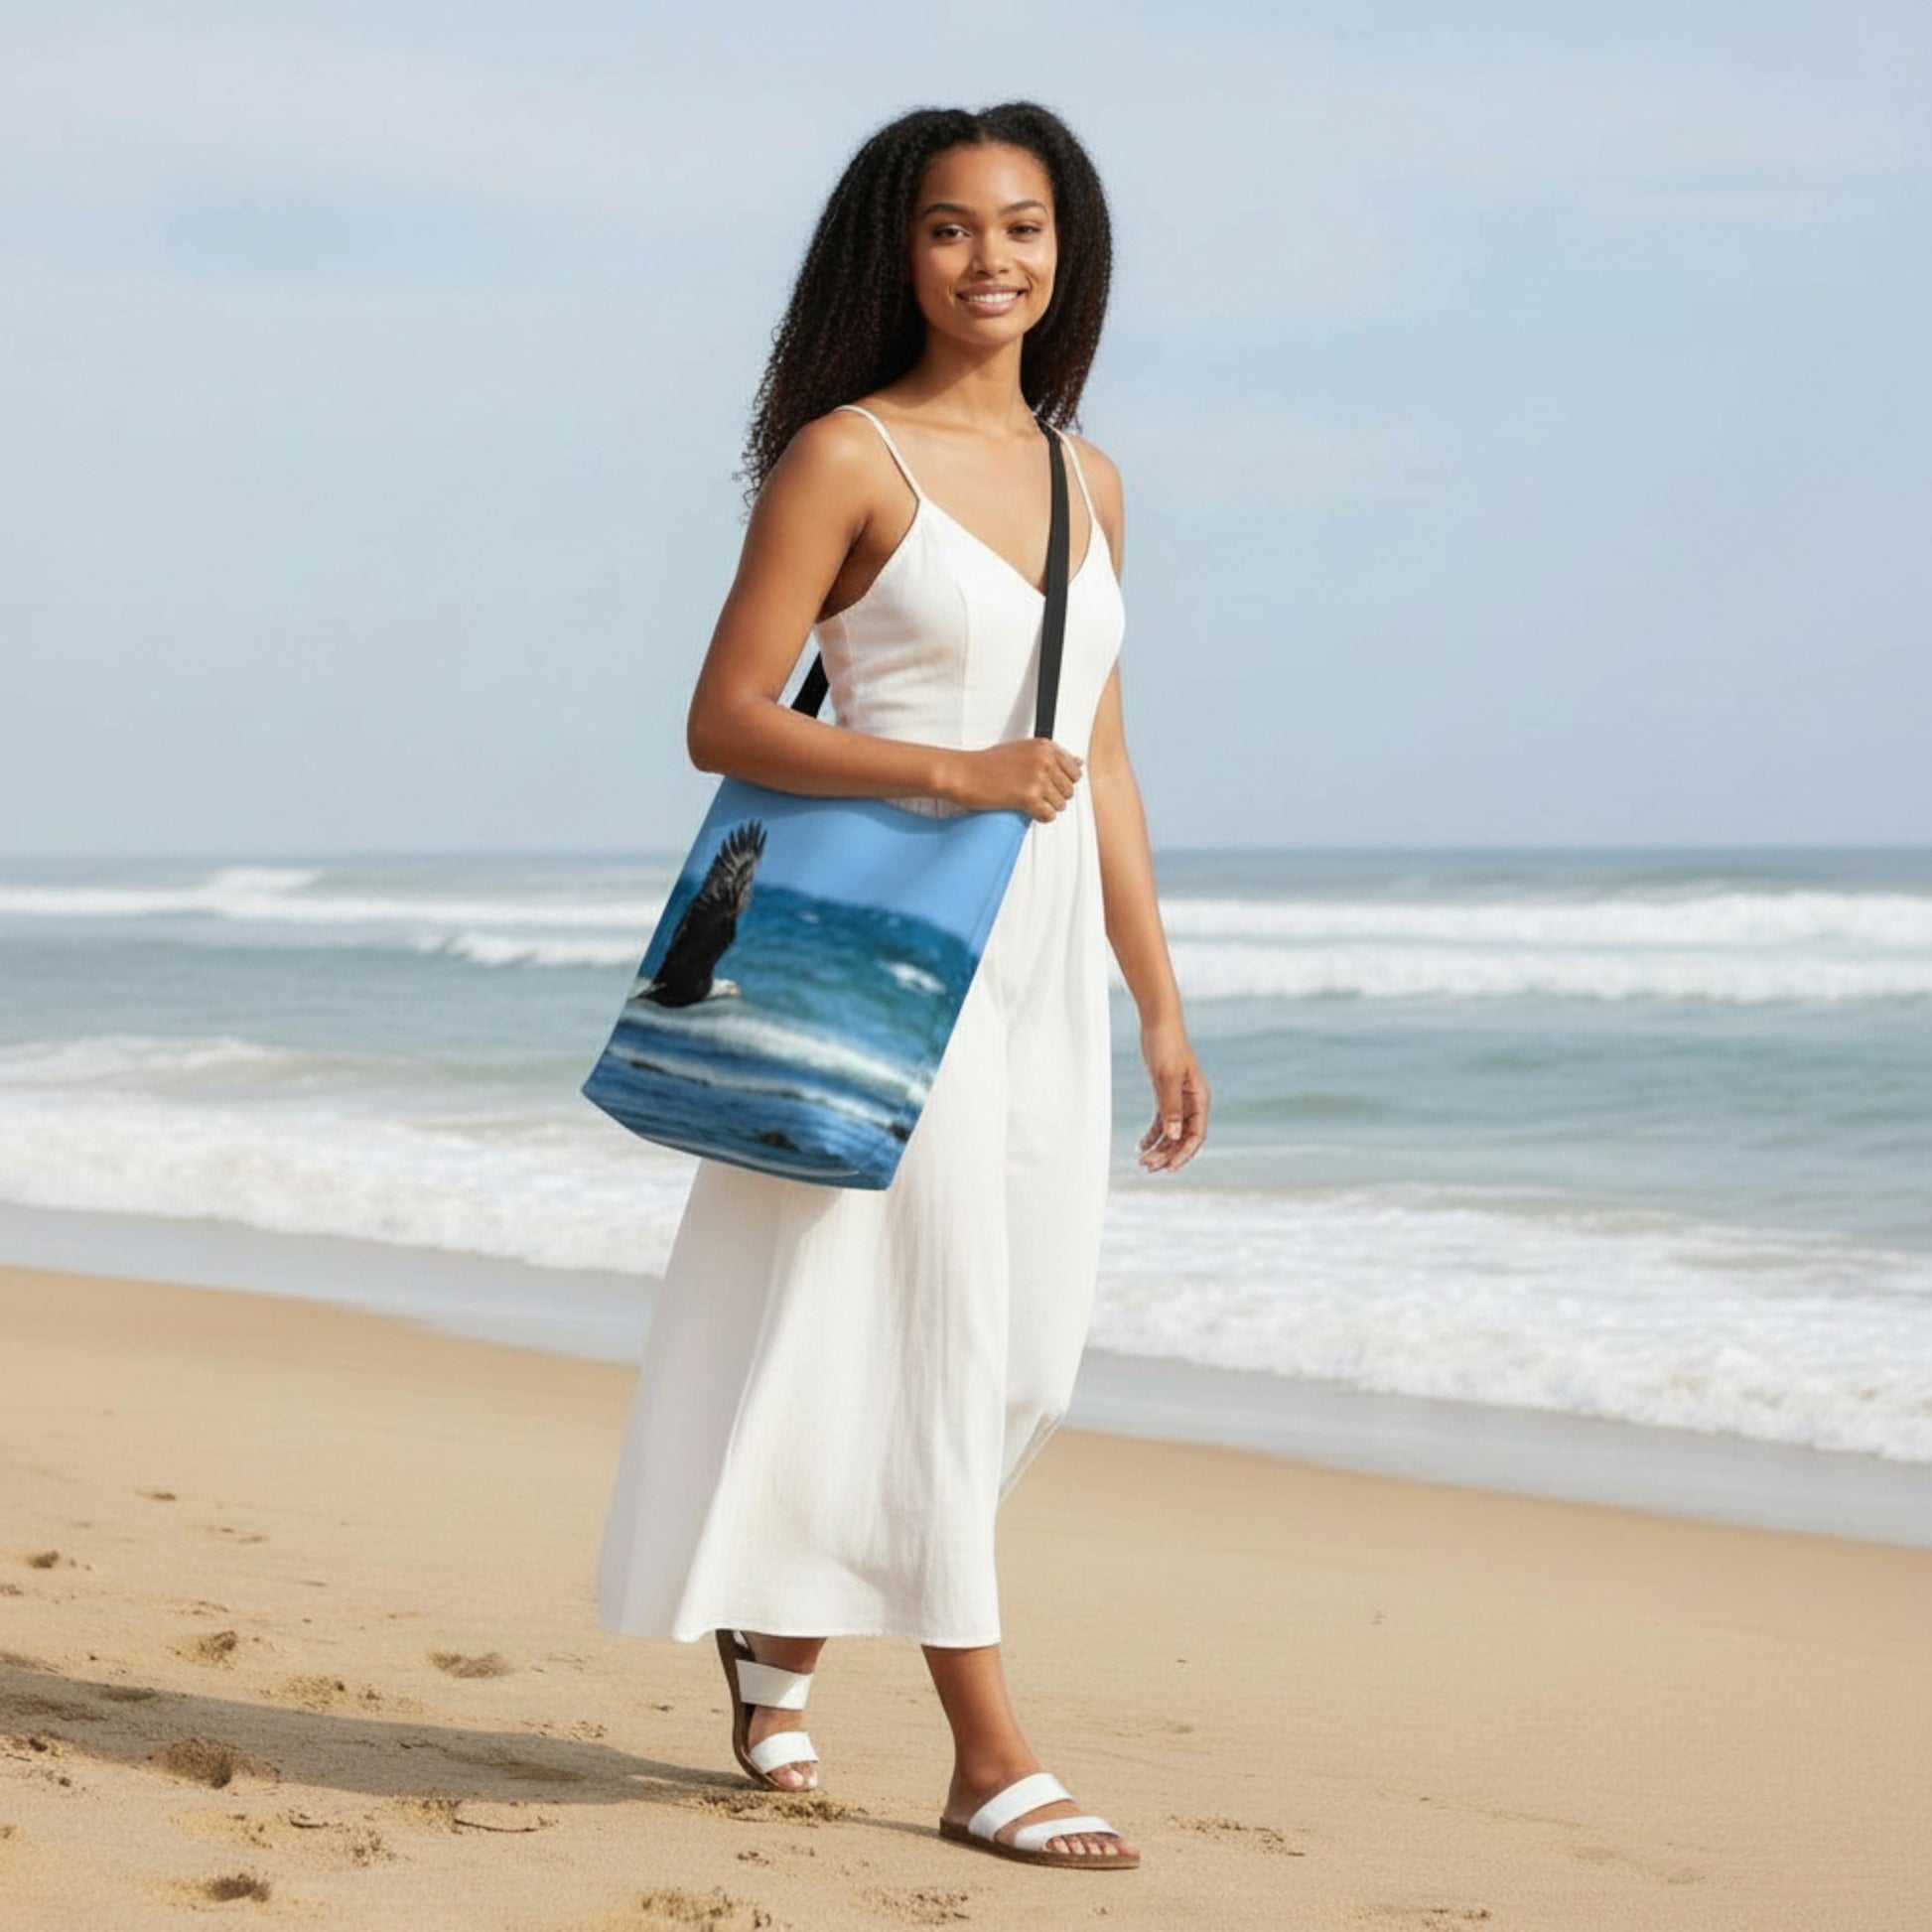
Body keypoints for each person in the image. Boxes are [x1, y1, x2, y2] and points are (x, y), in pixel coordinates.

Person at [595, 100, 1208, 1872]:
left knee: (1023, 1358)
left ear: (1065, 254)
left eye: (1022, 227)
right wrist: (949, 773)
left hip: (1039, 981)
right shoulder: (844, 457)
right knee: (937, 1340)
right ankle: (985, 1746)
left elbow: (1102, 755)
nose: (990, 259)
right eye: (950, 229)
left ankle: (781, 1628)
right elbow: (726, 717)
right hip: (892, 953)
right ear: (900, 252)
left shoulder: (1094, 484)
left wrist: (1155, 997)